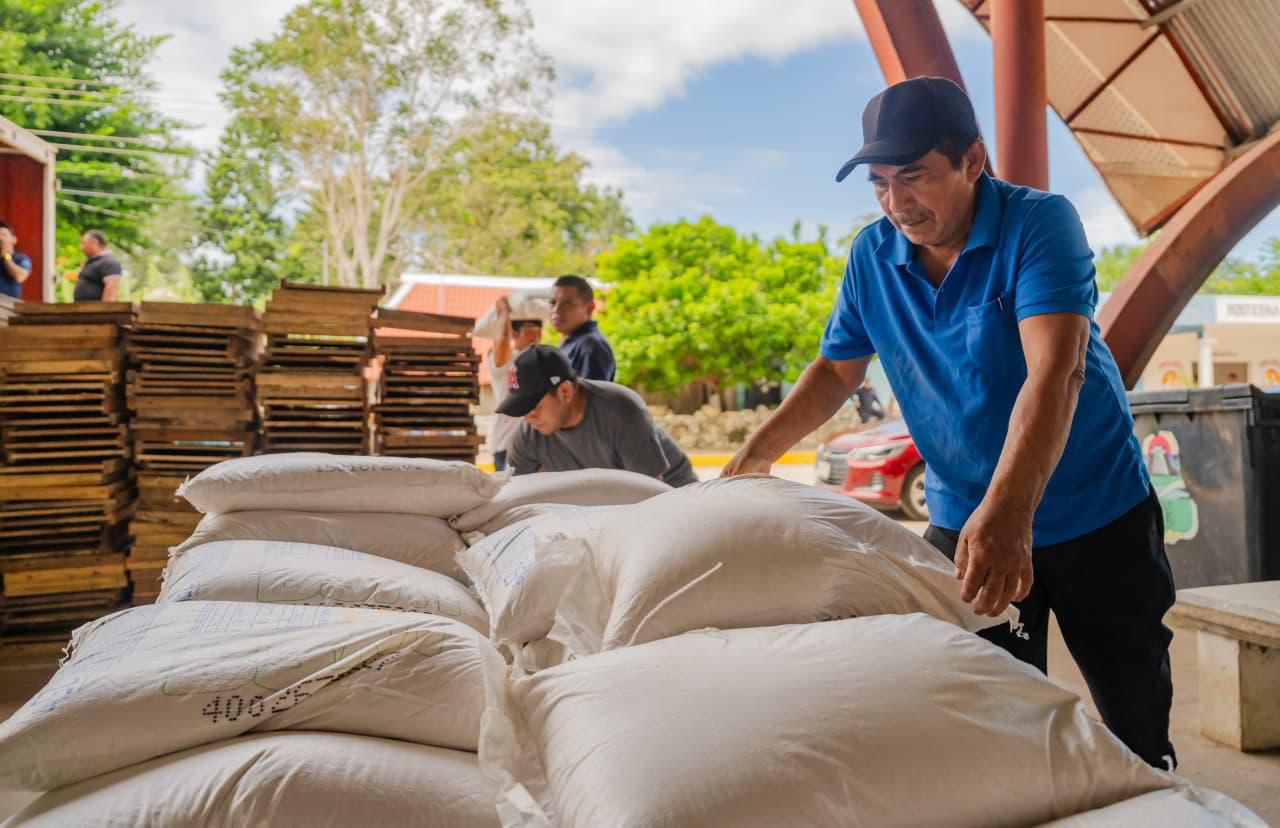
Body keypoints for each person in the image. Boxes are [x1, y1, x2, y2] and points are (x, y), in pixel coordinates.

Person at [724, 77, 1176, 769]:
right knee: (987, 720)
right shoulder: (872, 256)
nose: (896, 202)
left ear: (973, 160)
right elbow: (837, 371)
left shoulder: (1039, 224)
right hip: (965, 518)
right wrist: (754, 456)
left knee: (1133, 715)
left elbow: (1055, 372)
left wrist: (1010, 513)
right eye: (880, 183)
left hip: (1096, 512)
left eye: (914, 176)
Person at [499, 345, 697, 487]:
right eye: (522, 409)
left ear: (565, 392)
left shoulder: (621, 410)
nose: (528, 417)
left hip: (673, 494)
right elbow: (515, 494)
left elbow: (649, 494)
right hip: (609, 504)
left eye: (533, 406)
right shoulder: (528, 435)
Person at [486, 296, 544, 472]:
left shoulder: (541, 362)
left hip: (536, 446)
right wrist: (504, 312)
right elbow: (501, 340)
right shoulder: (506, 361)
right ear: (515, 334)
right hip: (507, 445)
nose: (535, 339)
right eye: (529, 333)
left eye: (538, 333)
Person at [550, 274, 615, 381]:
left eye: (567, 304)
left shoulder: (592, 346)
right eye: (552, 303)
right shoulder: (572, 342)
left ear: (590, 308)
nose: (556, 310)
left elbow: (591, 391)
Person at [73, 230, 123, 302]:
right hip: (84, 308)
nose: (81, 248)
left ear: (94, 242)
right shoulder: (92, 262)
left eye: (83, 243)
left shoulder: (109, 262)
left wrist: (105, 309)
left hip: (98, 309)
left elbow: (111, 292)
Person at [0, 221, 32, 300]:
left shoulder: (21, 258)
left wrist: (6, 256)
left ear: (14, 239)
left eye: (4, 235)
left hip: (11, 304)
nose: (1, 239)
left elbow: (20, 276)